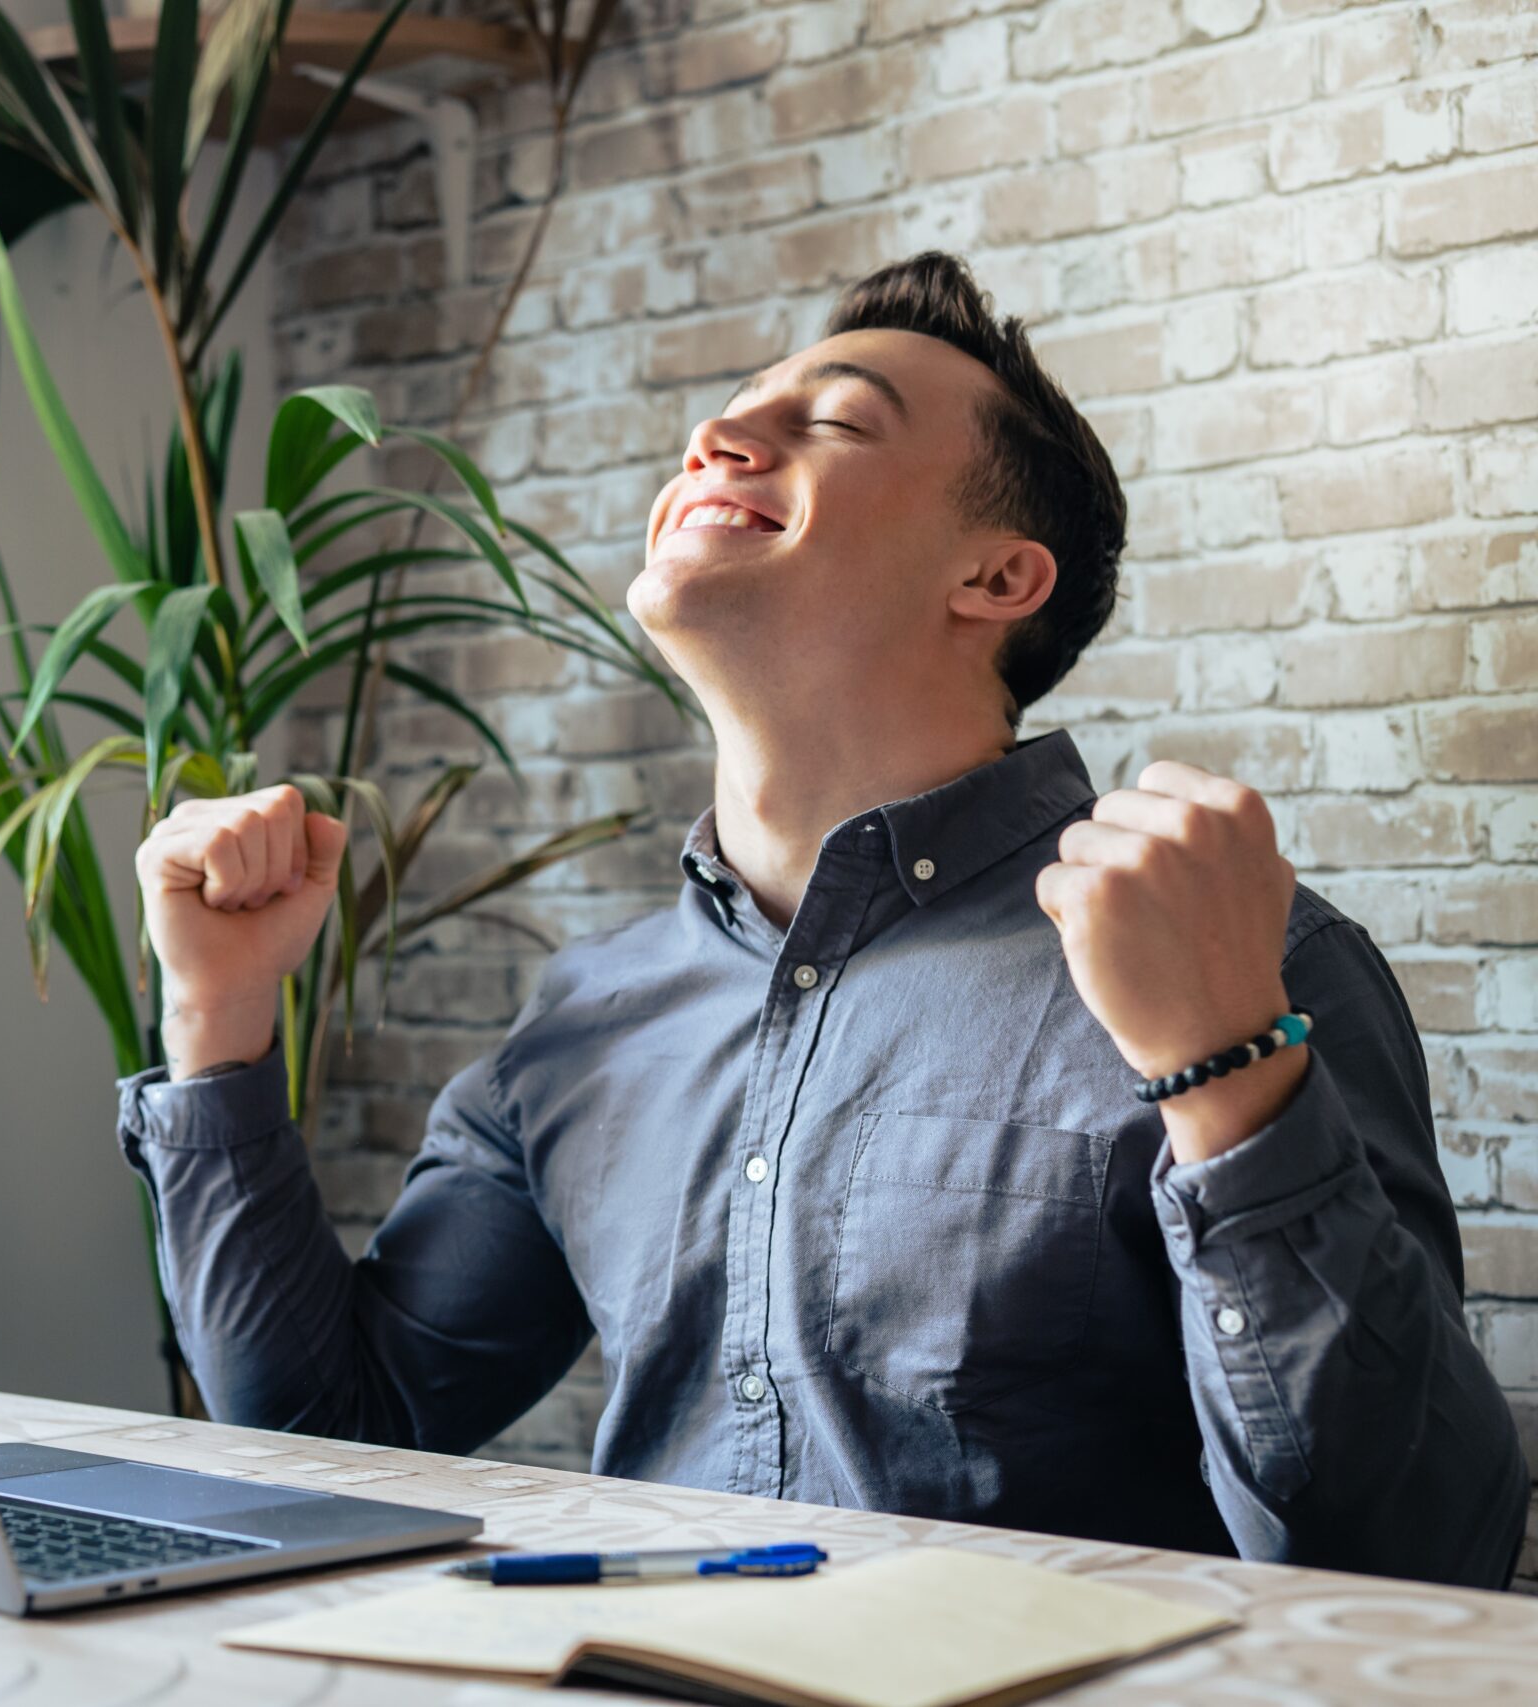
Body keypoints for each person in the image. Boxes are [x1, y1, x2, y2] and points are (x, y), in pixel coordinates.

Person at [115, 251, 1528, 1589]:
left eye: (835, 421)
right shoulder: (587, 1022)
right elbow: (336, 1437)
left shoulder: (1236, 956)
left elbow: (1413, 1565)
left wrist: (1228, 1075)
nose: (720, 441)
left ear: (996, 578)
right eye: (725, 420)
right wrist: (219, 1023)